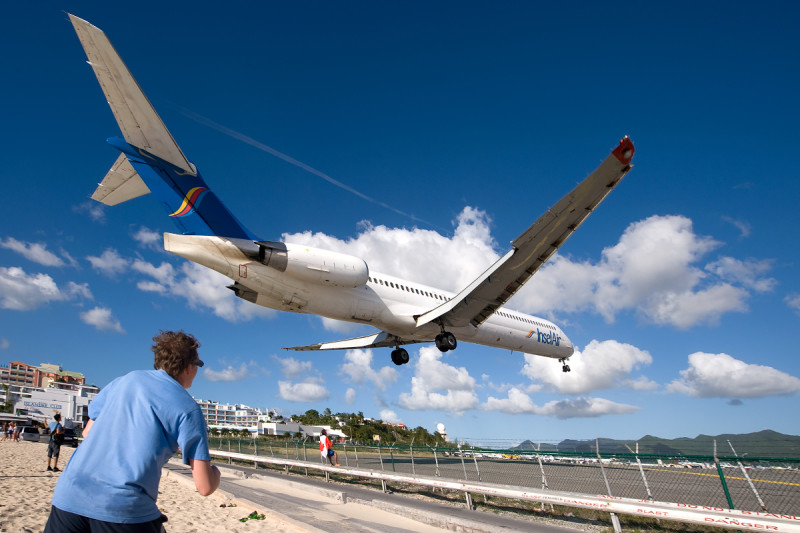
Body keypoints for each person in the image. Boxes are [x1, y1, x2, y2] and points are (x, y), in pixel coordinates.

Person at [44, 330, 220, 532]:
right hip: (123, 507)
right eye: (198, 365)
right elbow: (204, 486)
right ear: (189, 366)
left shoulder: (124, 381)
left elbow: (87, 433)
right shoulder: (188, 408)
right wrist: (216, 474)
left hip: (69, 494)